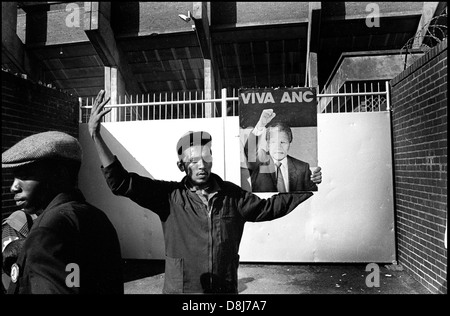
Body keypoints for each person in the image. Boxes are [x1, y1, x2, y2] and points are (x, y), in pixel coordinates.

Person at [88, 90, 322, 294]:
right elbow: (120, 182)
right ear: (181, 166)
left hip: (223, 290)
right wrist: (96, 135)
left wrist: (305, 186)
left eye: (206, 157)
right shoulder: (169, 197)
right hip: (182, 291)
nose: (201, 165)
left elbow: (269, 208)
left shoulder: (232, 195)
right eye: (193, 160)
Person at [2, 131, 124, 294]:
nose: (13, 187)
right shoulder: (97, 216)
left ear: (60, 174)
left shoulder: (47, 231)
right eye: (14, 177)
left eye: (25, 176)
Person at [244, 108, 320, 192]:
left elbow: (311, 194)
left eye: (283, 142)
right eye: (273, 142)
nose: (278, 147)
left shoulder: (303, 168)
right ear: (268, 144)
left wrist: (317, 181)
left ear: (289, 143)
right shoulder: (258, 163)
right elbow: (249, 151)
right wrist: (260, 125)